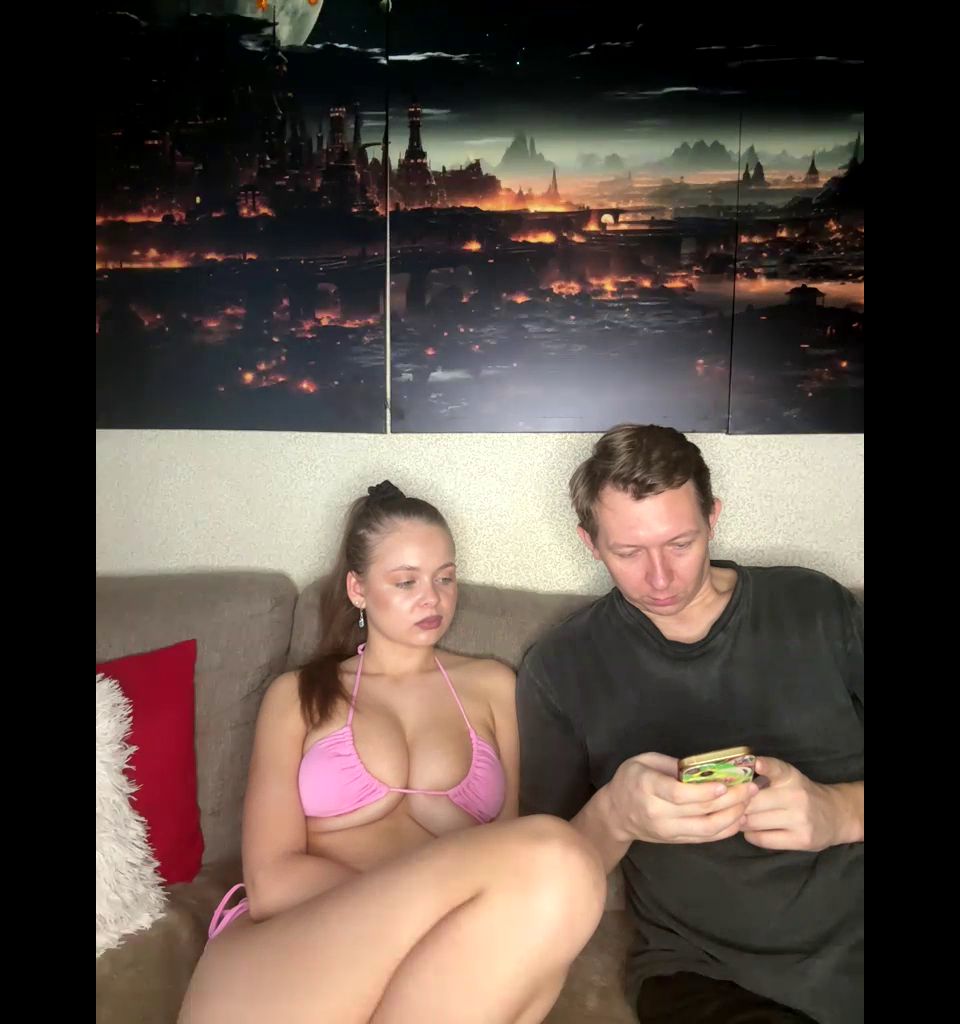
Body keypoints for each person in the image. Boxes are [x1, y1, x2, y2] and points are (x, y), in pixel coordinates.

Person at [179, 481, 606, 1024]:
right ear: (357, 589)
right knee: (556, 855)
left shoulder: (493, 688)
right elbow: (271, 883)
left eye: (445, 578)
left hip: (439, 963)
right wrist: (421, 906)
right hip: (299, 948)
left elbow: (506, 857)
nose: (433, 599)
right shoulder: (298, 696)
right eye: (406, 582)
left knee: (562, 882)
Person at [516, 425, 863, 1024]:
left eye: (680, 543)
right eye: (628, 552)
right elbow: (537, 879)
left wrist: (840, 813)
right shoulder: (561, 668)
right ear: (589, 543)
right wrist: (615, 815)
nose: (660, 579)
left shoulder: (815, 606)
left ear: (713, 519)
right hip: (708, 976)